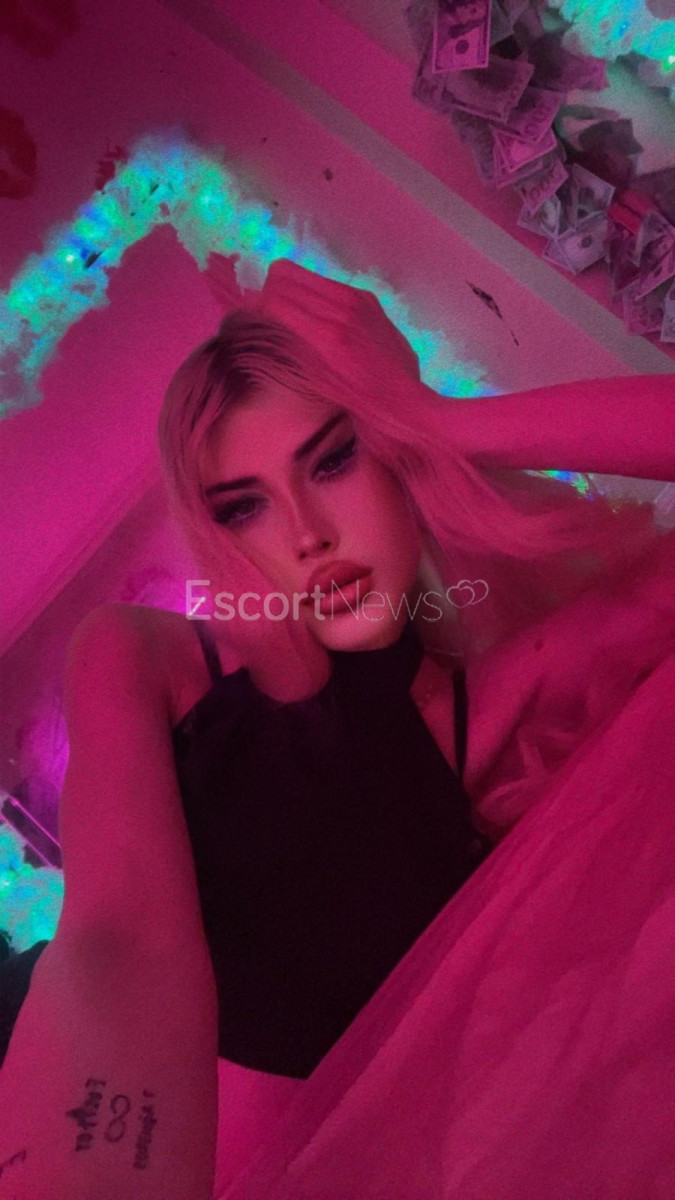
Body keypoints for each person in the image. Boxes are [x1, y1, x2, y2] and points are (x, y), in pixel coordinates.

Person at [1, 257, 674, 1200]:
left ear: (395, 455)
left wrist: (438, 419)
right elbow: (120, 942)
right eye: (244, 507)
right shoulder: (148, 660)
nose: (307, 534)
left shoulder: (497, 710)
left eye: (332, 460)